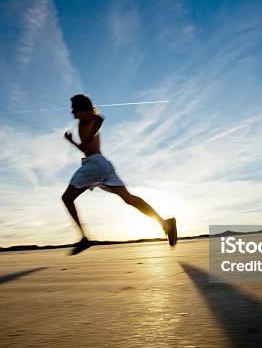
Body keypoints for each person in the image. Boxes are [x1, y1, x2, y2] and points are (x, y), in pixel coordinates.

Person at [62, 94, 177, 255]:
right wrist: (73, 142)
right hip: (103, 165)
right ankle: (165, 223)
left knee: (67, 198)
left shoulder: (85, 118)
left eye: (73, 108)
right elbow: (87, 148)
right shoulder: (85, 123)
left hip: (94, 165)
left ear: (81, 108)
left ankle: (84, 238)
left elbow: (100, 118)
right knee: (129, 198)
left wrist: (85, 140)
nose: (72, 112)